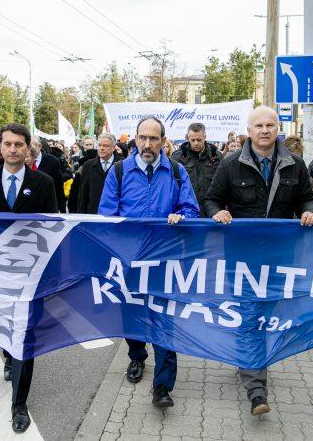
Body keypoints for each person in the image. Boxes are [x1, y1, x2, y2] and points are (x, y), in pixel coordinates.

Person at [205, 106, 313, 416]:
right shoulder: (230, 164)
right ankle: (257, 390)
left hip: (281, 258)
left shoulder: (295, 165)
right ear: (250, 129)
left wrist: (309, 210)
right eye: (259, 125)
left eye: (270, 124)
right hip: (242, 258)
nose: (265, 130)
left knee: (268, 314)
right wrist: (217, 212)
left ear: (277, 128)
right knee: (248, 313)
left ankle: (248, 358)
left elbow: (307, 197)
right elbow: (211, 198)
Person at [99, 116, 199, 408]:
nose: (146, 144)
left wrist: (183, 217)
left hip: (165, 261)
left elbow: (191, 209)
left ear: (163, 141)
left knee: (165, 321)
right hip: (129, 262)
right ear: (135, 140)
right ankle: (137, 357)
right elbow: (106, 216)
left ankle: (163, 386)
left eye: (153, 139)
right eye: (142, 138)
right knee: (132, 316)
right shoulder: (119, 172)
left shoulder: (177, 172)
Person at [0, 123, 58, 434]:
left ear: (27, 147)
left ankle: (18, 405)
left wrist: (51, 275)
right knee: (1, 330)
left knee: (24, 338)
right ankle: (7, 354)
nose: (12, 150)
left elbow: (52, 228)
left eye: (18, 144)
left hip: (29, 275)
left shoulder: (44, 183)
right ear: (0, 147)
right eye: (7, 144)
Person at [171, 122, 222, 216]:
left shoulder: (217, 157)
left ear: (205, 137)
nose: (196, 143)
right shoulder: (177, 157)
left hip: (211, 213)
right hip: (186, 213)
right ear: (188, 138)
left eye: (199, 140)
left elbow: (223, 185)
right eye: (192, 140)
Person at [78, 133, 121, 214]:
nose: (101, 148)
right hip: (93, 215)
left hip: (115, 216)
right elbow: (83, 194)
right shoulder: (88, 165)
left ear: (114, 147)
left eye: (106, 146)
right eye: (99, 145)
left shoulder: (122, 165)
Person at [30, 136, 66, 212]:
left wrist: (61, 209)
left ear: (39, 146)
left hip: (47, 206)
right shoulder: (22, 160)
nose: (29, 149)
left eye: (31, 146)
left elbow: (59, 187)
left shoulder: (52, 161)